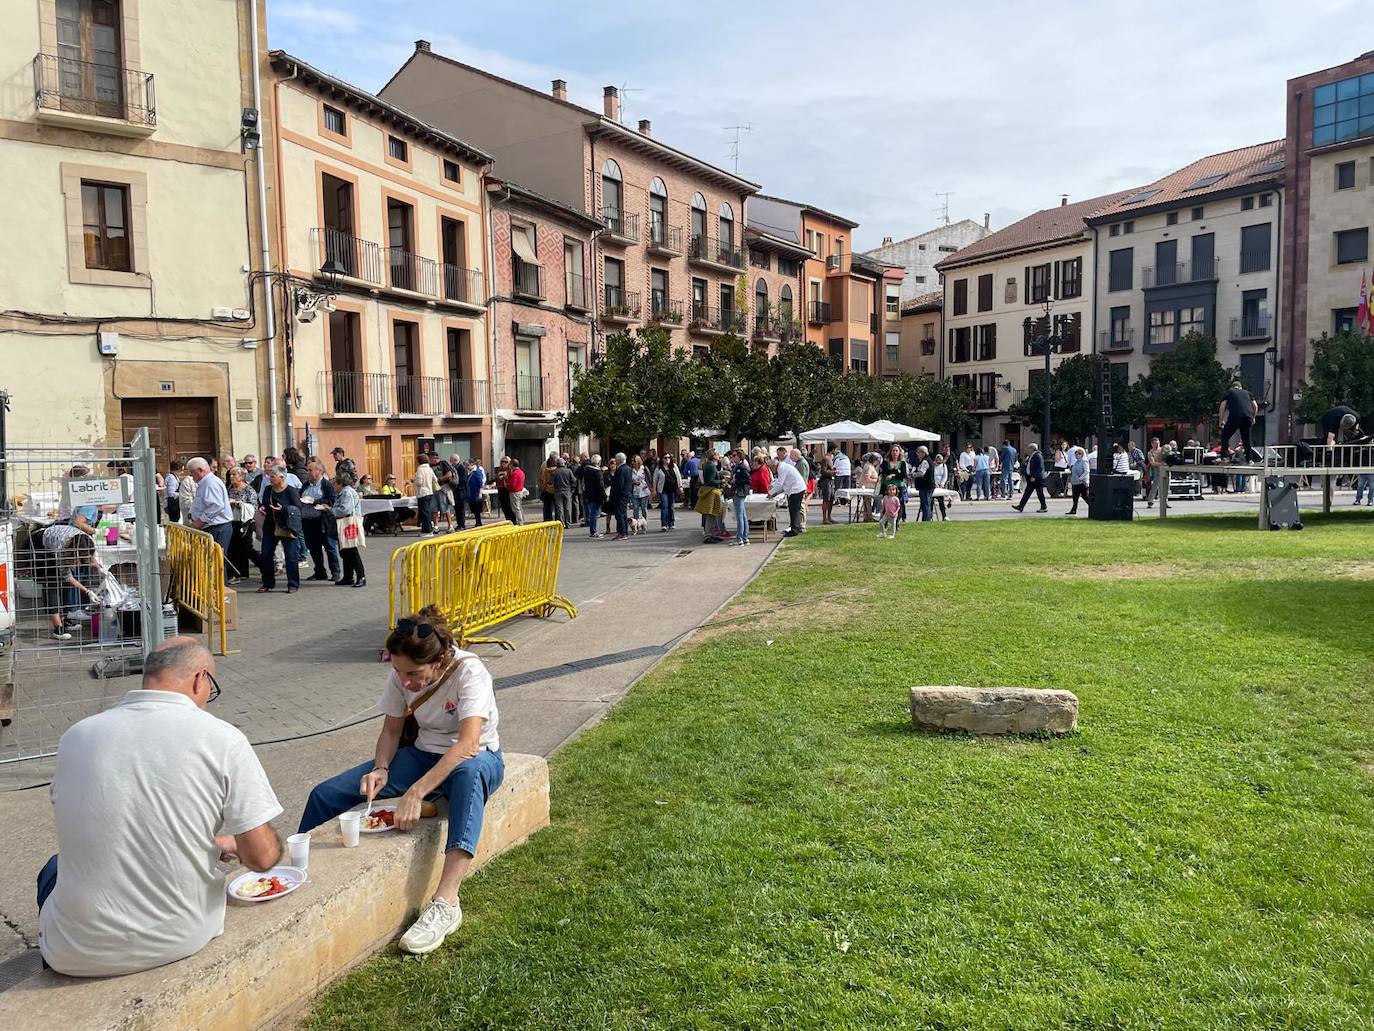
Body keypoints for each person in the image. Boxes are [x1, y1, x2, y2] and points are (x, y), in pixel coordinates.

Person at [37, 637, 282, 976]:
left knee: (54, 867)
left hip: (72, 953)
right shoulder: (223, 739)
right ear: (201, 680)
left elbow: (116, 819)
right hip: (180, 937)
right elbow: (262, 858)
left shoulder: (76, 736)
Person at [299, 608, 503, 954]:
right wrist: (381, 769)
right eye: (398, 671)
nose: (405, 681)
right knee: (326, 794)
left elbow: (468, 745)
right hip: (423, 753)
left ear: (439, 661)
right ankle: (295, 875)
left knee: (468, 776)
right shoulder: (401, 674)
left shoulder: (471, 672)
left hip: (478, 756)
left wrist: (417, 791)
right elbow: (391, 730)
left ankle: (446, 902)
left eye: (413, 674)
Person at [258, 464, 302, 593]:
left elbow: (298, 508)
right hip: (270, 527)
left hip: (287, 527)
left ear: (281, 477)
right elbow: (265, 503)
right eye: (269, 475)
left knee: (291, 556)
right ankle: (268, 583)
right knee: (266, 555)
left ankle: (293, 584)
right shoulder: (268, 489)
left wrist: (283, 509)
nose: (269, 478)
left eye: (272, 476)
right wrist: (262, 507)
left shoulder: (291, 491)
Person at [298, 460, 341, 582]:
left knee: (329, 546)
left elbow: (332, 500)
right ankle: (320, 571)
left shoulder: (326, 485)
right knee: (313, 547)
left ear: (319, 471)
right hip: (308, 520)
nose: (308, 472)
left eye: (310, 470)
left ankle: (335, 571)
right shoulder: (306, 485)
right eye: (307, 470)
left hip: (323, 520)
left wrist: (315, 501)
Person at [185, 457, 233, 554]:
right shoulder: (206, 482)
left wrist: (201, 521)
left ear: (200, 470)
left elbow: (216, 506)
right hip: (212, 527)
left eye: (192, 472)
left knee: (215, 562)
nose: (190, 475)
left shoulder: (210, 483)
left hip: (217, 528)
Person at [329, 472, 366, 588]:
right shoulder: (344, 492)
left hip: (348, 523)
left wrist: (330, 510)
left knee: (351, 550)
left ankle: (361, 576)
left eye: (334, 484)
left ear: (341, 483)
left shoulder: (347, 492)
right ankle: (348, 576)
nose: (333, 486)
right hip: (344, 524)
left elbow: (345, 510)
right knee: (345, 550)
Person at [225, 468, 259, 586]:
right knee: (233, 547)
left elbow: (254, 506)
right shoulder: (229, 488)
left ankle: (264, 566)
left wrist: (240, 504)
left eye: (234, 474)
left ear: (241, 476)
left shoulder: (249, 489)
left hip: (246, 522)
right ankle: (238, 573)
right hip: (233, 520)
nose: (231, 477)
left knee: (246, 547)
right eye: (230, 474)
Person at [1217, 380, 1260, 462]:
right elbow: (1255, 406)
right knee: (1246, 439)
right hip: (1247, 417)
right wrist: (1253, 417)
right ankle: (1249, 459)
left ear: (1232, 387)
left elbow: (1222, 407)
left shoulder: (1229, 392)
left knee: (1225, 435)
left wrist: (1221, 421)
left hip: (1235, 416)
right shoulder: (1247, 393)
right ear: (1241, 387)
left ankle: (1224, 457)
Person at [768, 454, 806, 537]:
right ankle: (796, 527)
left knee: (794, 510)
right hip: (796, 489)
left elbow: (780, 484)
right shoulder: (782, 467)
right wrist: (774, 494)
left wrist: (770, 493)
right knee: (795, 510)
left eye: (771, 468)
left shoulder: (781, 468)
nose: (771, 470)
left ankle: (794, 530)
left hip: (796, 489)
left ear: (774, 465)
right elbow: (783, 485)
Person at [696, 451, 725, 542]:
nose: (718, 456)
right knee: (711, 514)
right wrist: (721, 481)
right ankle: (708, 536)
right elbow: (710, 480)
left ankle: (711, 534)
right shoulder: (711, 466)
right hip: (711, 491)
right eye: (717, 454)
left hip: (710, 490)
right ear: (713, 456)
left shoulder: (707, 465)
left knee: (712, 514)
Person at [1013, 443, 1048, 513]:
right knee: (1027, 492)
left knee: (1040, 492)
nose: (1027, 450)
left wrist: (1034, 476)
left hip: (1036, 478)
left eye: (1028, 448)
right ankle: (1021, 506)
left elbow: (1039, 468)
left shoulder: (1037, 456)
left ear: (1032, 449)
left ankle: (1044, 506)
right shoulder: (1031, 456)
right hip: (1030, 477)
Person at [879, 445, 909, 522]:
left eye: (896, 451)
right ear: (890, 452)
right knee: (886, 504)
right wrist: (896, 472)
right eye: (893, 450)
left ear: (899, 452)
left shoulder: (902, 463)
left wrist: (893, 474)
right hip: (887, 486)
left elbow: (903, 475)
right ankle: (884, 521)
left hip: (898, 486)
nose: (895, 452)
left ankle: (897, 521)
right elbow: (884, 471)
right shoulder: (886, 462)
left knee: (899, 503)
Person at [729, 449, 752, 546]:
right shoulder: (736, 467)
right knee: (742, 515)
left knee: (740, 516)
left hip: (740, 492)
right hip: (738, 491)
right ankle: (745, 537)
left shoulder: (742, 467)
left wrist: (736, 481)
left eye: (734, 455)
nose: (732, 457)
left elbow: (748, 480)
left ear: (739, 456)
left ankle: (740, 538)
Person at [582, 455, 606, 538]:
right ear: (599, 462)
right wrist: (604, 495)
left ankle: (593, 530)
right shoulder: (597, 472)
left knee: (592, 512)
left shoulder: (587, 469)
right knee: (594, 513)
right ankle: (593, 531)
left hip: (588, 493)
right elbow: (600, 485)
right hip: (596, 495)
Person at [609, 452, 633, 540]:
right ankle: (624, 532)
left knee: (620, 514)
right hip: (626, 494)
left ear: (618, 460)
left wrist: (615, 493)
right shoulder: (628, 468)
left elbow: (619, 483)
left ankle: (622, 533)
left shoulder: (621, 469)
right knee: (623, 514)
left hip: (620, 495)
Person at [413, 454, 438, 535]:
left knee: (424, 513)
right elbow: (436, 479)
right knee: (426, 512)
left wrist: (414, 480)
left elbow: (419, 482)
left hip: (422, 493)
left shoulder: (420, 470)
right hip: (430, 492)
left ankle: (427, 531)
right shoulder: (429, 469)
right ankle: (426, 530)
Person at [654, 455, 680, 531]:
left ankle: (671, 523)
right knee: (664, 506)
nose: (667, 459)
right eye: (665, 457)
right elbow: (655, 479)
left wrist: (680, 486)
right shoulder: (659, 468)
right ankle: (664, 524)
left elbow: (678, 477)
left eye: (669, 457)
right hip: (663, 490)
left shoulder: (674, 466)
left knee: (671, 506)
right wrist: (654, 490)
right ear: (662, 459)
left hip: (672, 489)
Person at [1066, 447, 1091, 516]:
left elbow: (1086, 471)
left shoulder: (1084, 462)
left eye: (1078, 454)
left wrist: (1081, 478)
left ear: (1082, 455)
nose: (1077, 456)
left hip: (1082, 482)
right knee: (1075, 497)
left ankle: (1093, 507)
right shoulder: (1076, 462)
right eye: (1076, 454)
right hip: (1075, 482)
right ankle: (1073, 510)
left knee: (1085, 496)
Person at [629, 455, 651, 534]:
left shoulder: (644, 469)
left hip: (644, 491)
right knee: (635, 509)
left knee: (644, 508)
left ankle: (644, 525)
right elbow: (629, 480)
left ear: (638, 461)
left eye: (634, 461)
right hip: (635, 492)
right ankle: (635, 525)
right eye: (631, 461)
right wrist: (633, 482)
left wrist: (650, 489)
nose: (632, 462)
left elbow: (649, 479)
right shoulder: (631, 470)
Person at [552, 457, 576, 527]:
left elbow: (550, 482)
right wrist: (572, 489)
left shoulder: (555, 472)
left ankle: (562, 524)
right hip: (567, 491)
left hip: (558, 491)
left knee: (560, 509)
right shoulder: (568, 471)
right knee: (568, 508)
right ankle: (568, 523)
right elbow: (574, 480)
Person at [817, 453, 837, 525]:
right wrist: (833, 472)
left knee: (831, 499)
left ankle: (829, 517)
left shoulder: (830, 459)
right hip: (826, 481)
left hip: (830, 480)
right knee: (826, 499)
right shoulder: (826, 459)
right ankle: (824, 518)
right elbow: (823, 471)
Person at [465, 459, 486, 527]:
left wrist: (480, 493)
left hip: (476, 493)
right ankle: (477, 522)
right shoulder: (470, 472)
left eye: (467, 465)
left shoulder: (477, 472)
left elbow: (480, 483)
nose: (466, 467)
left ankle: (478, 522)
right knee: (473, 508)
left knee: (476, 509)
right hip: (471, 493)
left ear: (472, 464)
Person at [164, 459, 184, 524]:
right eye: (181, 470)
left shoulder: (175, 478)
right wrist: (182, 494)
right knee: (174, 521)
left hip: (175, 503)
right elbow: (171, 493)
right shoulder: (171, 479)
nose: (182, 472)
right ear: (177, 470)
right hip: (172, 504)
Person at [539, 455, 558, 523]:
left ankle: (547, 519)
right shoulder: (557, 470)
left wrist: (543, 488)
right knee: (557, 507)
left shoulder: (546, 471)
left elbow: (543, 480)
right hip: (556, 490)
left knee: (547, 506)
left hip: (548, 490)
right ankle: (557, 520)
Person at [507, 458, 526, 525]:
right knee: (519, 507)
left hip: (515, 492)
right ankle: (522, 521)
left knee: (516, 509)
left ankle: (520, 523)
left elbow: (512, 484)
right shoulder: (521, 472)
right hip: (520, 491)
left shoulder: (515, 473)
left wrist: (506, 484)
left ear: (512, 465)